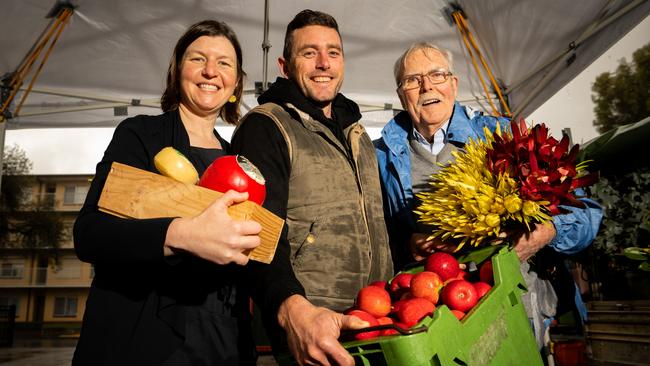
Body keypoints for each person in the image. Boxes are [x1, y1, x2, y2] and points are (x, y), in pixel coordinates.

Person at [374, 42, 603, 349]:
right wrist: (407, 242)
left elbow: (586, 211)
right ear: (402, 95)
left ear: (454, 84)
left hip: (520, 304)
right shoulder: (381, 157)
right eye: (412, 80)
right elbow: (377, 235)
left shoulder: (503, 134)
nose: (426, 86)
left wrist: (545, 232)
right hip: (440, 318)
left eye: (437, 75)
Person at [72, 20, 262, 365]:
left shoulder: (238, 160)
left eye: (224, 63)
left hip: (224, 343)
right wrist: (180, 235)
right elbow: (89, 235)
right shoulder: (140, 136)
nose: (210, 71)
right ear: (177, 73)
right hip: (145, 340)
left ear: (235, 83)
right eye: (197, 59)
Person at [231, 9, 393, 366]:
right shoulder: (265, 127)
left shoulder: (359, 133)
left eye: (333, 52)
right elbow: (254, 232)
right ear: (285, 65)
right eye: (309, 53)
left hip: (377, 322)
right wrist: (292, 310)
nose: (324, 63)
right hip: (314, 330)